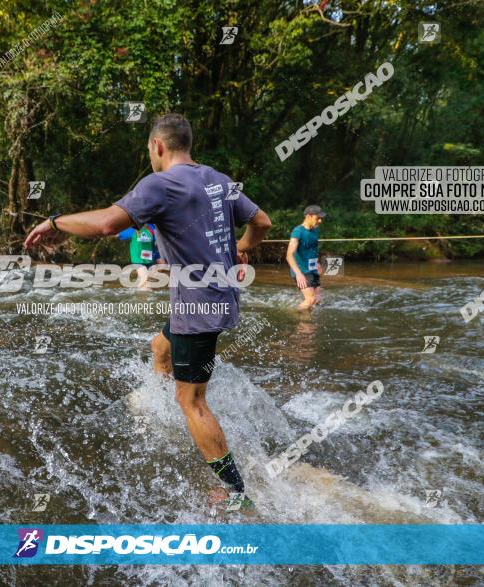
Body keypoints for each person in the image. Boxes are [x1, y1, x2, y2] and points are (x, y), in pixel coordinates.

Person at [25, 113, 272, 508]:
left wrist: (55, 221)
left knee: (192, 402)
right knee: (160, 346)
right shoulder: (220, 180)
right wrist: (245, 245)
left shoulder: (161, 184)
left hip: (198, 309)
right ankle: (160, 401)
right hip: (216, 300)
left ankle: (235, 492)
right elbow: (261, 221)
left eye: (150, 151)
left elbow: (107, 224)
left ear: (158, 146)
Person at [285, 205, 326, 310]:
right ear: (309, 216)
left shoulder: (315, 231)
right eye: (318, 218)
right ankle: (293, 315)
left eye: (321, 218)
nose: (320, 221)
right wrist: (298, 274)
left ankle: (308, 323)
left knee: (317, 299)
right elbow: (289, 255)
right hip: (301, 270)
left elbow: (312, 249)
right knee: (310, 299)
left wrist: (317, 263)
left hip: (312, 269)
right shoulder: (298, 231)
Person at [117, 223, 159, 289]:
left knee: (149, 282)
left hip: (150, 260)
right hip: (138, 261)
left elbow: (157, 244)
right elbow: (117, 234)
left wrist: (158, 257)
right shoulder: (132, 229)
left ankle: (140, 295)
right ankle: (145, 297)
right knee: (144, 280)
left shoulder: (152, 227)